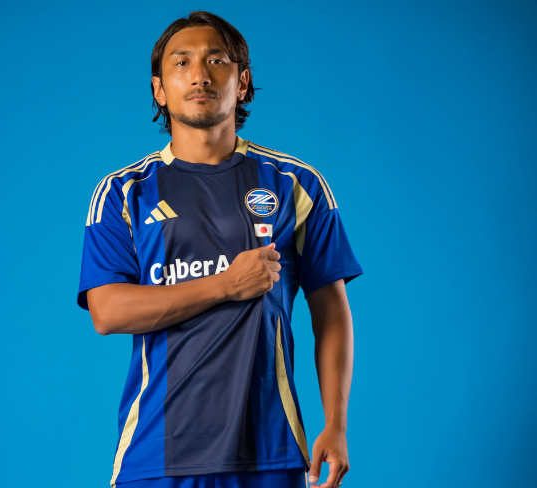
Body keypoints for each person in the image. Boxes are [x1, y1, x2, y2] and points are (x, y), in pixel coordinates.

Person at [77, 10, 363, 488]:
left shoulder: (296, 184)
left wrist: (336, 424)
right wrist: (226, 284)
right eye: (181, 62)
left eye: (216, 60)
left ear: (243, 82)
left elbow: (331, 311)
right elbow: (107, 312)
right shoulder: (124, 192)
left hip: (270, 451)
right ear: (159, 89)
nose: (199, 75)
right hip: (156, 453)